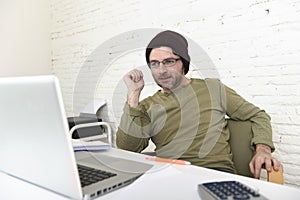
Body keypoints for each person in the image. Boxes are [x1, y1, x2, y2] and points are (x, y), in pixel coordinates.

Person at [116, 30, 281, 178]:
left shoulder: (212, 88)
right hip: (168, 175)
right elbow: (127, 149)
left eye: (169, 61)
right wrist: (133, 95)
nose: (161, 70)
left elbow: (258, 116)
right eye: (154, 64)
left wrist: (263, 150)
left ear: (184, 63)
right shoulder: (145, 107)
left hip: (214, 174)